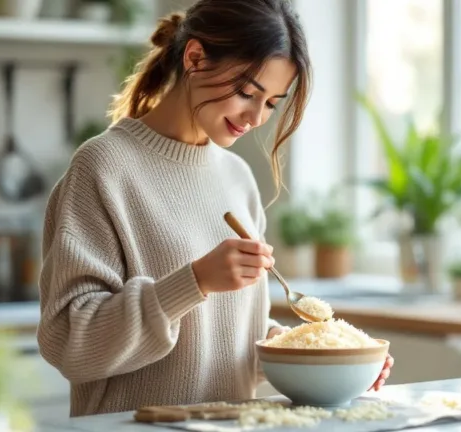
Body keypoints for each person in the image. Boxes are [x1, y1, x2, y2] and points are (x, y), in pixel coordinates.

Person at [37, 0, 393, 417]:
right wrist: (194, 281)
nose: (257, 117)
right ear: (195, 57)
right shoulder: (104, 167)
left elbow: (224, 343)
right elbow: (70, 344)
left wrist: (329, 361)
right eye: (247, 93)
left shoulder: (238, 179)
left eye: (272, 103)